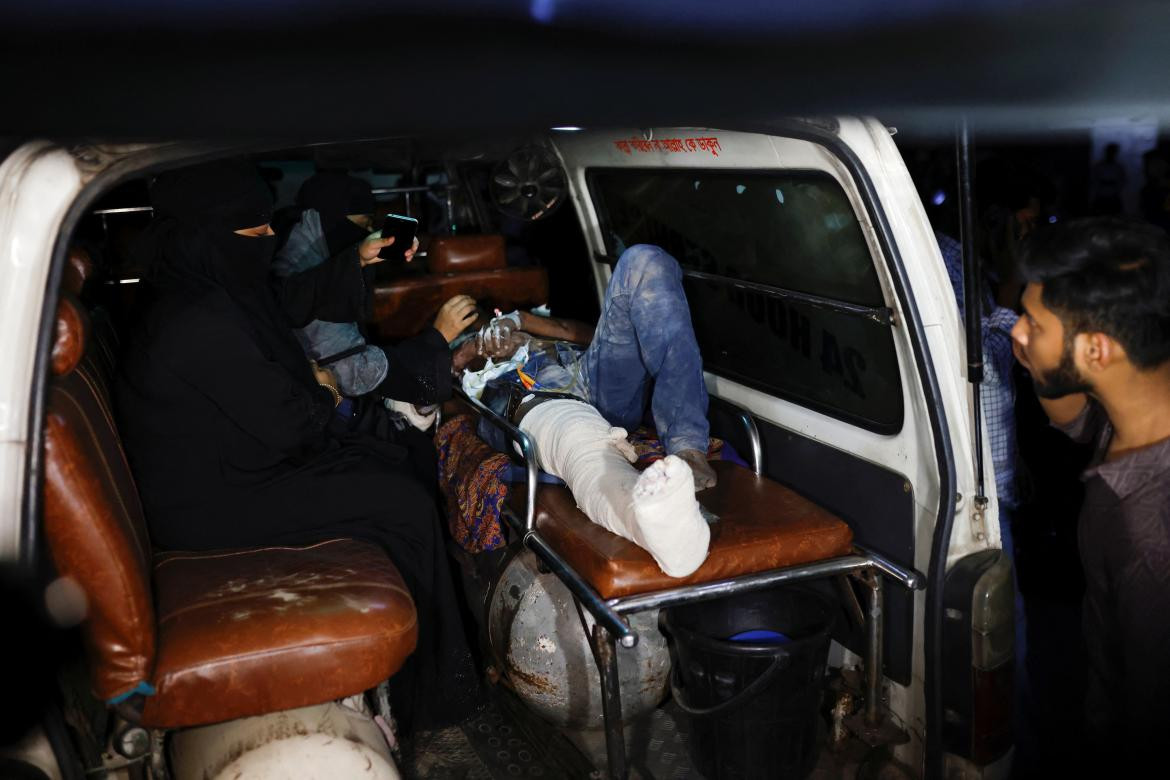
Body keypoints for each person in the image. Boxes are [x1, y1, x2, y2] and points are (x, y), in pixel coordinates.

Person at [115, 159, 480, 735]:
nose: (266, 238)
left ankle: (425, 673)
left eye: (268, 226)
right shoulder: (194, 321)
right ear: (201, 234)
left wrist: (322, 384)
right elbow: (289, 422)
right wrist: (325, 392)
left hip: (230, 472)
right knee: (400, 500)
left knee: (392, 463)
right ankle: (434, 695)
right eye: (250, 230)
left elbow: (285, 315)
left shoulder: (209, 293)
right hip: (213, 504)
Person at [1010, 217, 1170, 769]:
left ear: (1098, 351)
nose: (1016, 332)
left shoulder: (1152, 540)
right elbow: (1076, 420)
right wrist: (1041, 360)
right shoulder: (1140, 403)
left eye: (1033, 323)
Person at [455, 243, 718, 489]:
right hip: (527, 403)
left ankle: (687, 447)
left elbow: (584, 334)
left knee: (642, 259)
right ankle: (617, 481)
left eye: (488, 320)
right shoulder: (458, 352)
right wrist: (470, 349)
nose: (490, 331)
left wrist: (519, 324)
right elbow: (439, 380)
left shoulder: (524, 333)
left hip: (587, 380)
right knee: (572, 441)